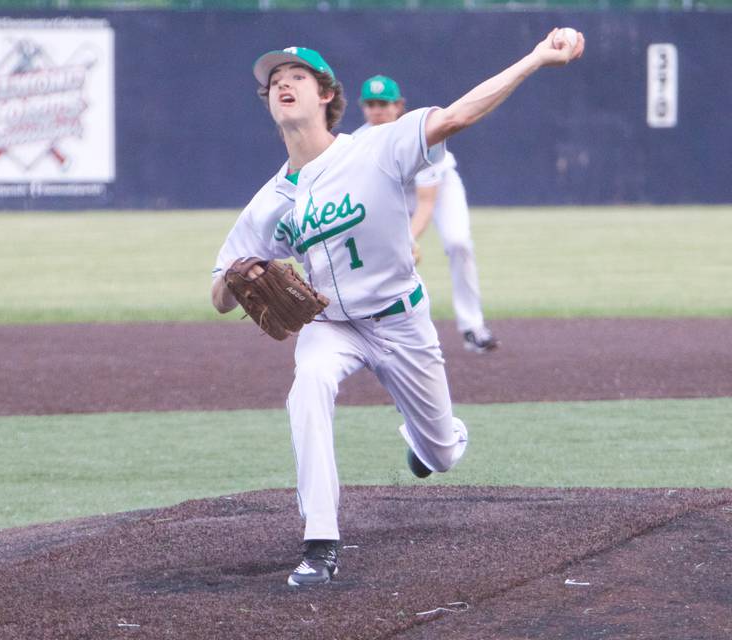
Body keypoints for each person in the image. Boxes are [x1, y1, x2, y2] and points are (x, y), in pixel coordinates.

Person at [211, 32, 585, 587]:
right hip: (332, 326)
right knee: (307, 384)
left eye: (297, 77)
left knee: (442, 454)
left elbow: (457, 115)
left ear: (326, 96)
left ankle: (425, 440)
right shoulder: (267, 204)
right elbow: (219, 291)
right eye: (274, 81)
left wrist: (534, 57)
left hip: (401, 320)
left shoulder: (378, 146)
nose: (283, 84)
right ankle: (320, 542)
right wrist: (240, 280)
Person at [355, 74, 499, 353]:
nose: (376, 110)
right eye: (370, 103)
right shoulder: (358, 143)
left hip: (440, 189)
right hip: (393, 194)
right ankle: (371, 333)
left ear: (399, 105)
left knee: (458, 243)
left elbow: (425, 202)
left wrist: (407, 239)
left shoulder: (419, 136)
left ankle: (473, 327)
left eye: (383, 103)